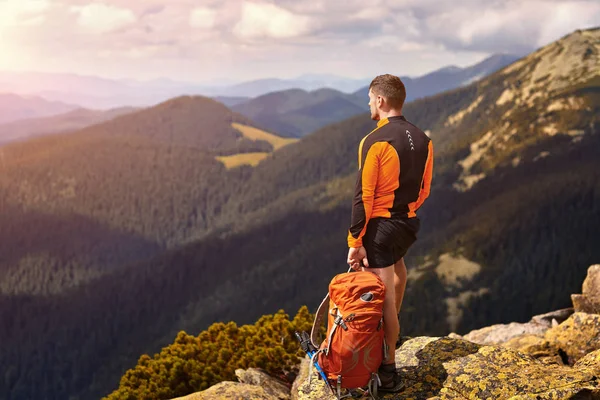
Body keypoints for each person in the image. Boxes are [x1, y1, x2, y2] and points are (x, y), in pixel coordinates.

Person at [346, 74, 434, 392]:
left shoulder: (374, 141)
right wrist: (405, 212)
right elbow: (424, 190)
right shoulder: (424, 139)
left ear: (381, 101)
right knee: (399, 273)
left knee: (382, 298)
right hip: (407, 223)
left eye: (370, 98)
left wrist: (355, 242)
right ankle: (389, 339)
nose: (369, 103)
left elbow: (363, 197)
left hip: (381, 227)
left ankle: (388, 370)